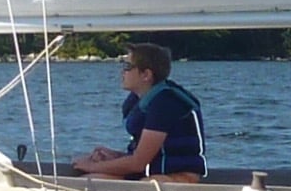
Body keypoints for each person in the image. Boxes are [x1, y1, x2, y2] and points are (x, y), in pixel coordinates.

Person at [72, 42, 206, 182]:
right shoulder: (139, 100)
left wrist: (91, 166)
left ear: (146, 74)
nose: (122, 72)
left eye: (127, 67)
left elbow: (138, 164)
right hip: (153, 172)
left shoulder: (165, 103)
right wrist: (115, 156)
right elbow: (145, 156)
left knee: (93, 181)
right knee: (91, 180)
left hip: (179, 177)